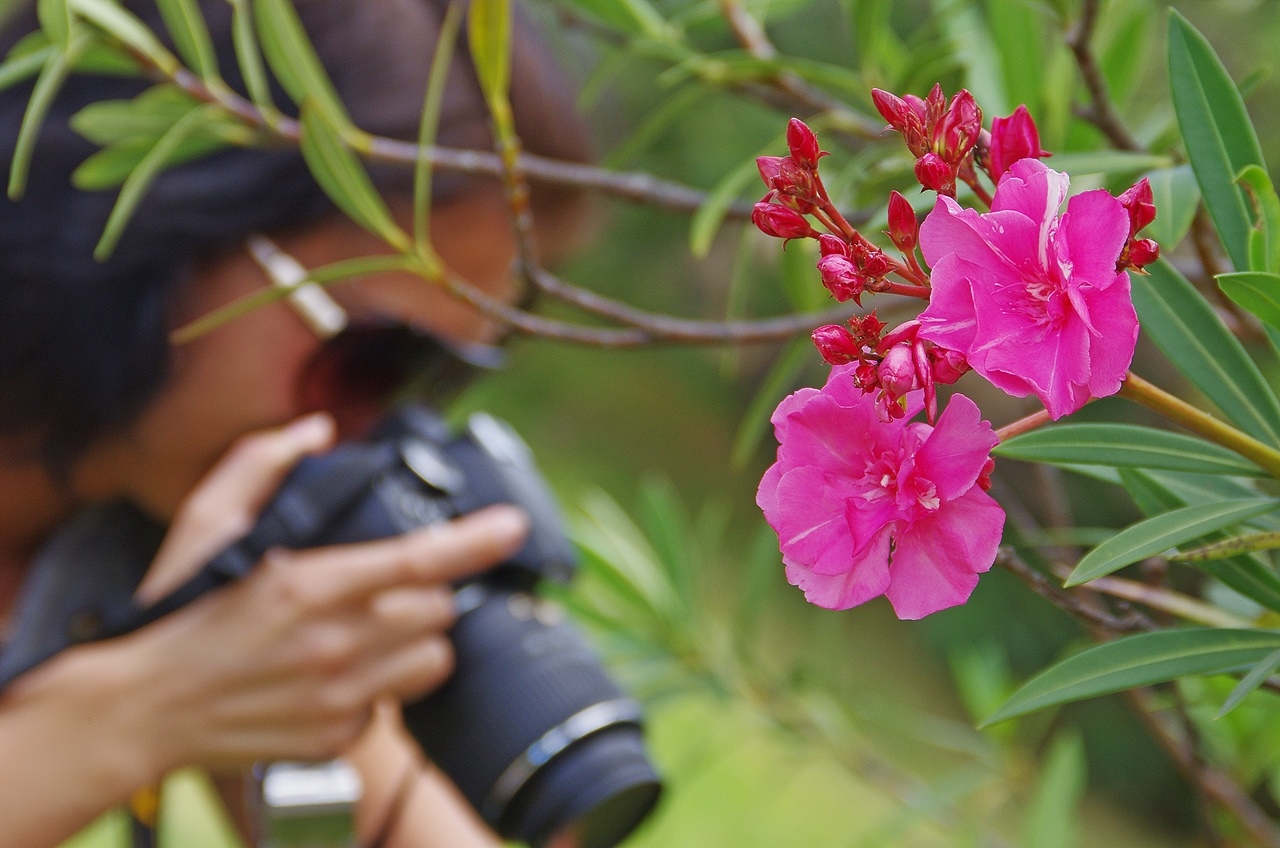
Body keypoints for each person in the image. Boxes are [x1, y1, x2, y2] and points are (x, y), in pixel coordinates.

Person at [0, 0, 591, 845]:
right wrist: (133, 714)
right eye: (378, 359)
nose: (374, 432)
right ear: (167, 215)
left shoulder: (168, 536)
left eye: (443, 380)